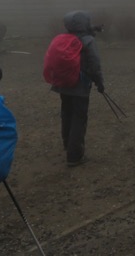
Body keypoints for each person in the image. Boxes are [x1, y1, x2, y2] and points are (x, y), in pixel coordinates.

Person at [49, 11, 105, 167]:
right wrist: (99, 83)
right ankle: (74, 156)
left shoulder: (63, 38)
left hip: (63, 84)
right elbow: (94, 64)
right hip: (80, 85)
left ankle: (68, 144)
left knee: (66, 114)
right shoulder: (88, 40)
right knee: (79, 117)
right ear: (84, 23)